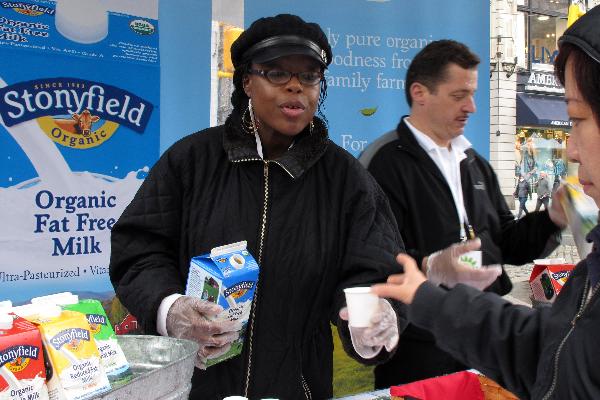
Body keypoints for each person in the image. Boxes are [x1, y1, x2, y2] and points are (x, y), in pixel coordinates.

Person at [109, 14, 409, 400]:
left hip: (297, 385)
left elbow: (376, 269)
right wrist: (170, 309)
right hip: (191, 385)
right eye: (277, 73)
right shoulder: (191, 160)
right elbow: (139, 250)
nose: (296, 87)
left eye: (309, 75)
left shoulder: (346, 179)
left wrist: (374, 318)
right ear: (247, 81)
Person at [372, 6, 600, 399]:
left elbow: (507, 243)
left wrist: (551, 218)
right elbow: (372, 257)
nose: (472, 107)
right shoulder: (383, 164)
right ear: (420, 94)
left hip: (485, 342)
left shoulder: (476, 164)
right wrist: (430, 268)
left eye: (474, 95)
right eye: (460, 95)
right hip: (422, 344)